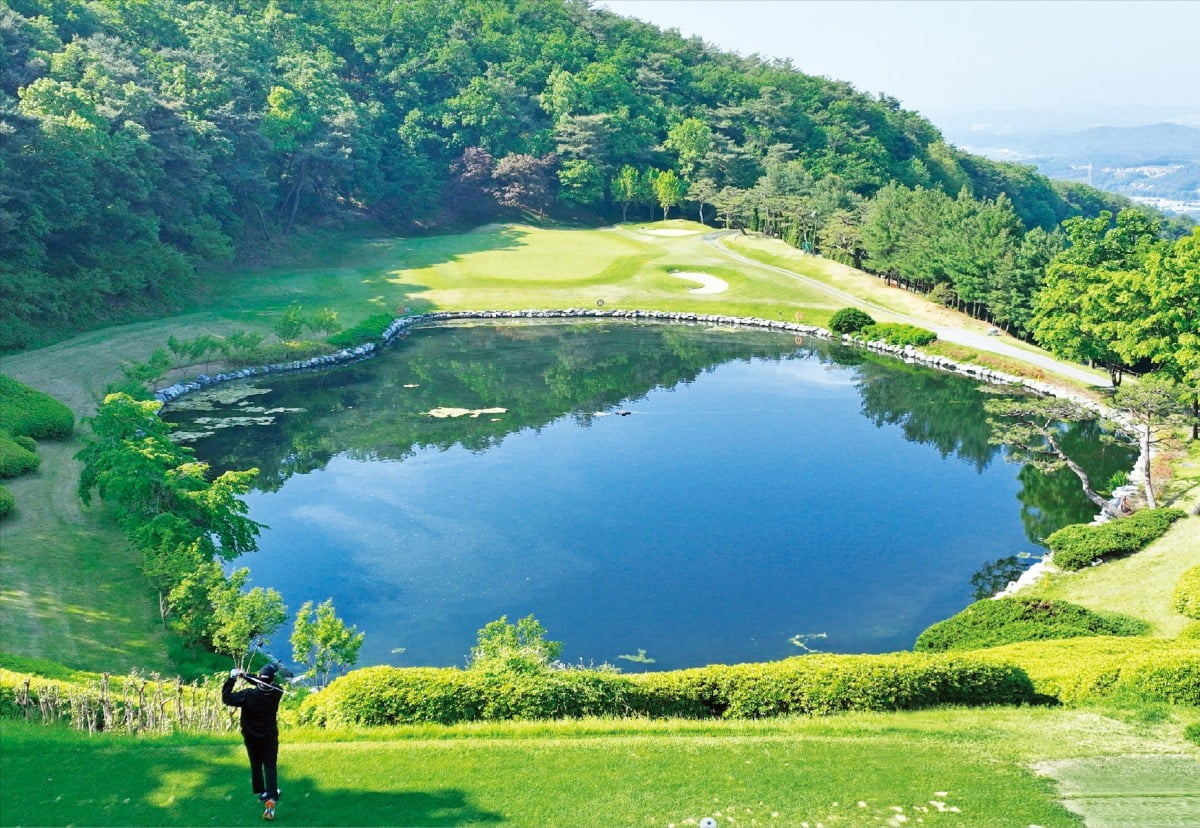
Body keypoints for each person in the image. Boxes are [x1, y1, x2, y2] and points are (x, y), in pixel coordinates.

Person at [222, 664, 284, 819]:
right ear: (273, 679)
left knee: (255, 764)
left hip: (251, 736)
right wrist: (246, 675)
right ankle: (270, 797)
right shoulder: (278, 691)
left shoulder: (247, 695)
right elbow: (263, 683)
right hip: (269, 736)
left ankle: (262, 792)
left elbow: (226, 698)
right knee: (269, 765)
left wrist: (232, 678)